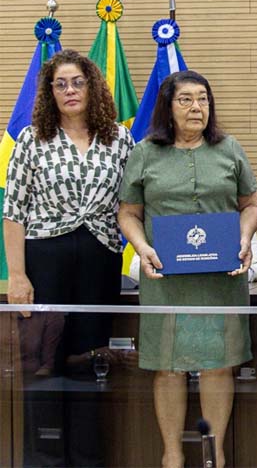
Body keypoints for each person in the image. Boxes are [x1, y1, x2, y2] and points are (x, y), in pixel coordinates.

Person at [118, 70, 257, 468]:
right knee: (167, 367)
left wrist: (245, 238)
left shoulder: (229, 148)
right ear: (168, 107)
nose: (196, 106)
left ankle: (213, 455)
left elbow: (252, 203)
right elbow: (128, 213)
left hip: (221, 279)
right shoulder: (145, 152)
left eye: (203, 98)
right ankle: (173, 456)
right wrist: (142, 246)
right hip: (165, 279)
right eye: (185, 99)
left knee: (219, 365)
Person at [3, 48, 135, 466]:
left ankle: (86, 460)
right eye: (60, 84)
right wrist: (18, 277)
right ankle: (43, 462)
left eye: (77, 81)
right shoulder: (32, 139)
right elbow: (14, 212)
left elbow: (133, 205)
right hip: (45, 261)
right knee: (44, 367)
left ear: (93, 86)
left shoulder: (119, 138)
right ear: (49, 93)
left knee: (89, 365)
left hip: (100, 261)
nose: (70, 90)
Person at [127, 232, 257, 283]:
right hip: (173, 303)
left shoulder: (237, 225)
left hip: (223, 302)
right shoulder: (168, 225)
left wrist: (235, 273)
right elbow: (133, 270)